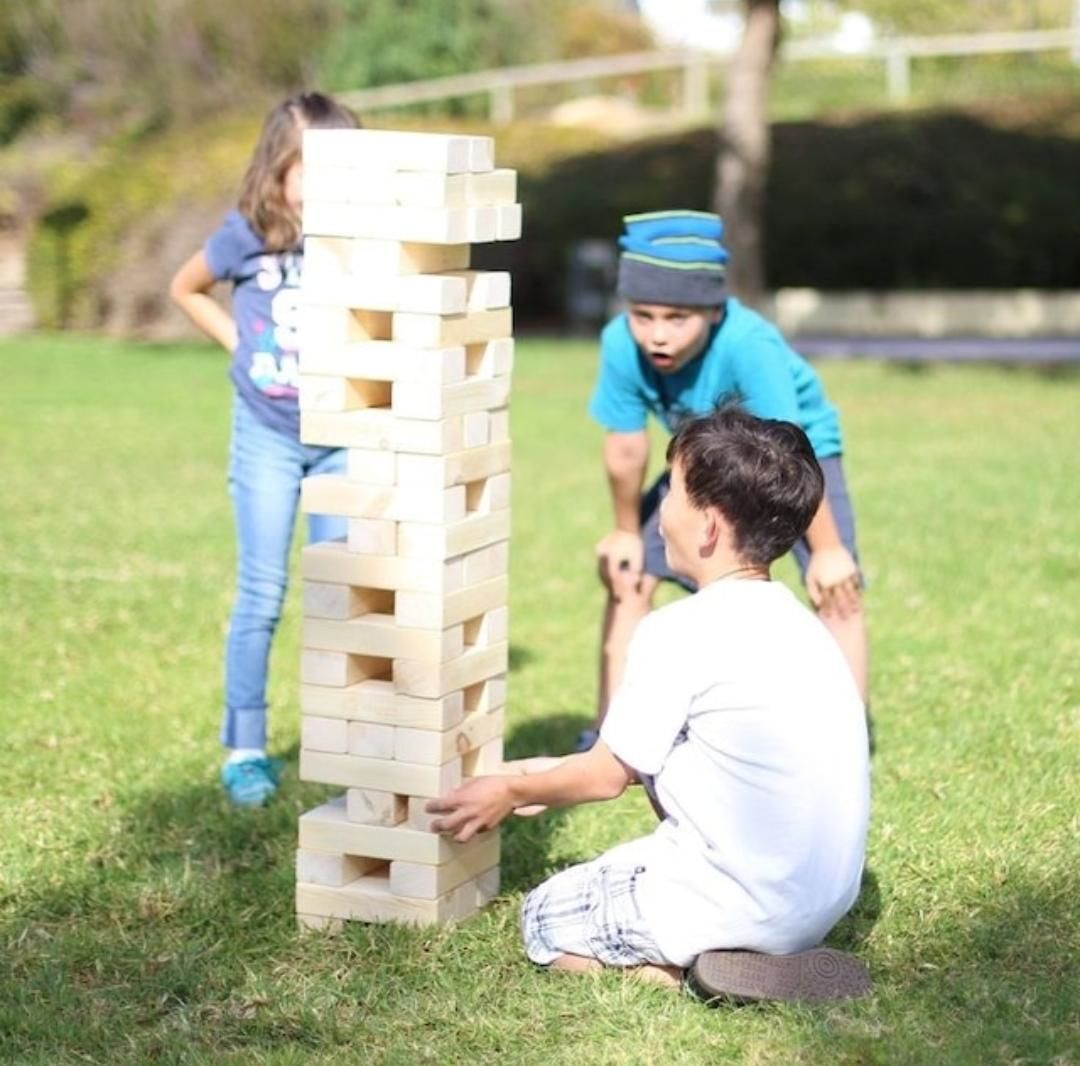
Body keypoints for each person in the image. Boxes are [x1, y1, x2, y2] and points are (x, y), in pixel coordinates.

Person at [427, 407, 872, 1001]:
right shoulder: (803, 628)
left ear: (708, 527)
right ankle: (751, 955)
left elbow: (606, 776)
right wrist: (543, 774)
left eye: (674, 493)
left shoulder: (678, 630)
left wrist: (510, 793)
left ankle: (680, 972)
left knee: (543, 915)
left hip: (743, 897)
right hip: (821, 902)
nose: (660, 512)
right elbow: (697, 752)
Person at [583, 209, 867, 752]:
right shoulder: (620, 343)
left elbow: (791, 449)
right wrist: (625, 532)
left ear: (713, 311)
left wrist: (827, 549)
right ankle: (608, 737)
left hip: (794, 453)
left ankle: (845, 740)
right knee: (630, 576)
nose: (656, 336)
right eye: (643, 316)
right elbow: (624, 448)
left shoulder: (748, 345)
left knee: (837, 589)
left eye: (676, 318)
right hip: (699, 458)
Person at [169, 92, 358, 806]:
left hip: (343, 438)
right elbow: (185, 288)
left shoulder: (362, 240)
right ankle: (245, 749)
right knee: (262, 592)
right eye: (302, 164)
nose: (313, 179)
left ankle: (346, 741)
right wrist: (239, 347)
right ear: (275, 164)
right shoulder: (246, 232)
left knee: (342, 595)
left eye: (330, 164)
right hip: (266, 436)